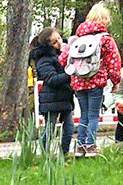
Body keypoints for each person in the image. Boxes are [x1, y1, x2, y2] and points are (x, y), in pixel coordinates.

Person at [63, 2, 121, 157]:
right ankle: (90, 146)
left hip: (78, 82)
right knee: (94, 115)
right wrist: (115, 82)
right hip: (96, 81)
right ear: (104, 19)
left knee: (84, 114)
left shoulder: (77, 38)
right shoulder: (105, 39)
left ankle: (80, 146)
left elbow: (63, 59)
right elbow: (114, 62)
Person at [30, 27, 75, 156]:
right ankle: (44, 153)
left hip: (64, 96)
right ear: (47, 45)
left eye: (59, 38)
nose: (59, 43)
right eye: (55, 42)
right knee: (50, 128)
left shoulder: (62, 54)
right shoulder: (43, 59)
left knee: (69, 127)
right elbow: (52, 79)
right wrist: (70, 74)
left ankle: (64, 152)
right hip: (51, 98)